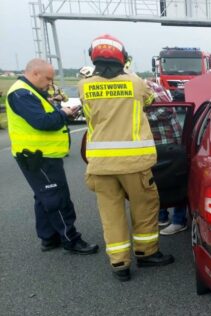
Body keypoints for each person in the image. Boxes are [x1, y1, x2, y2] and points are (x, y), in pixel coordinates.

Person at [79, 34, 174, 282]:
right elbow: (155, 102)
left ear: (93, 56)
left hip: (100, 164)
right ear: (123, 57)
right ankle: (146, 253)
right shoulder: (136, 83)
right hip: (134, 163)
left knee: (111, 214)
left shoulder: (83, 86)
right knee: (144, 208)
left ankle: (120, 263)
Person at [5, 58, 99, 255]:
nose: (50, 83)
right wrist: (63, 114)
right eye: (48, 78)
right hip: (37, 156)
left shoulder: (30, 91)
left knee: (43, 196)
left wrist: (63, 113)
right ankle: (71, 239)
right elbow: (42, 122)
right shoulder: (22, 93)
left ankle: (48, 237)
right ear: (35, 73)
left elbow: (44, 116)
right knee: (56, 197)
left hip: (40, 154)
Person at [144, 78, 187, 236]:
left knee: (176, 182)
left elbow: (167, 109)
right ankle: (162, 217)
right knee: (156, 182)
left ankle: (178, 221)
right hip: (151, 143)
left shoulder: (147, 86)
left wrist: (142, 119)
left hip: (169, 143)